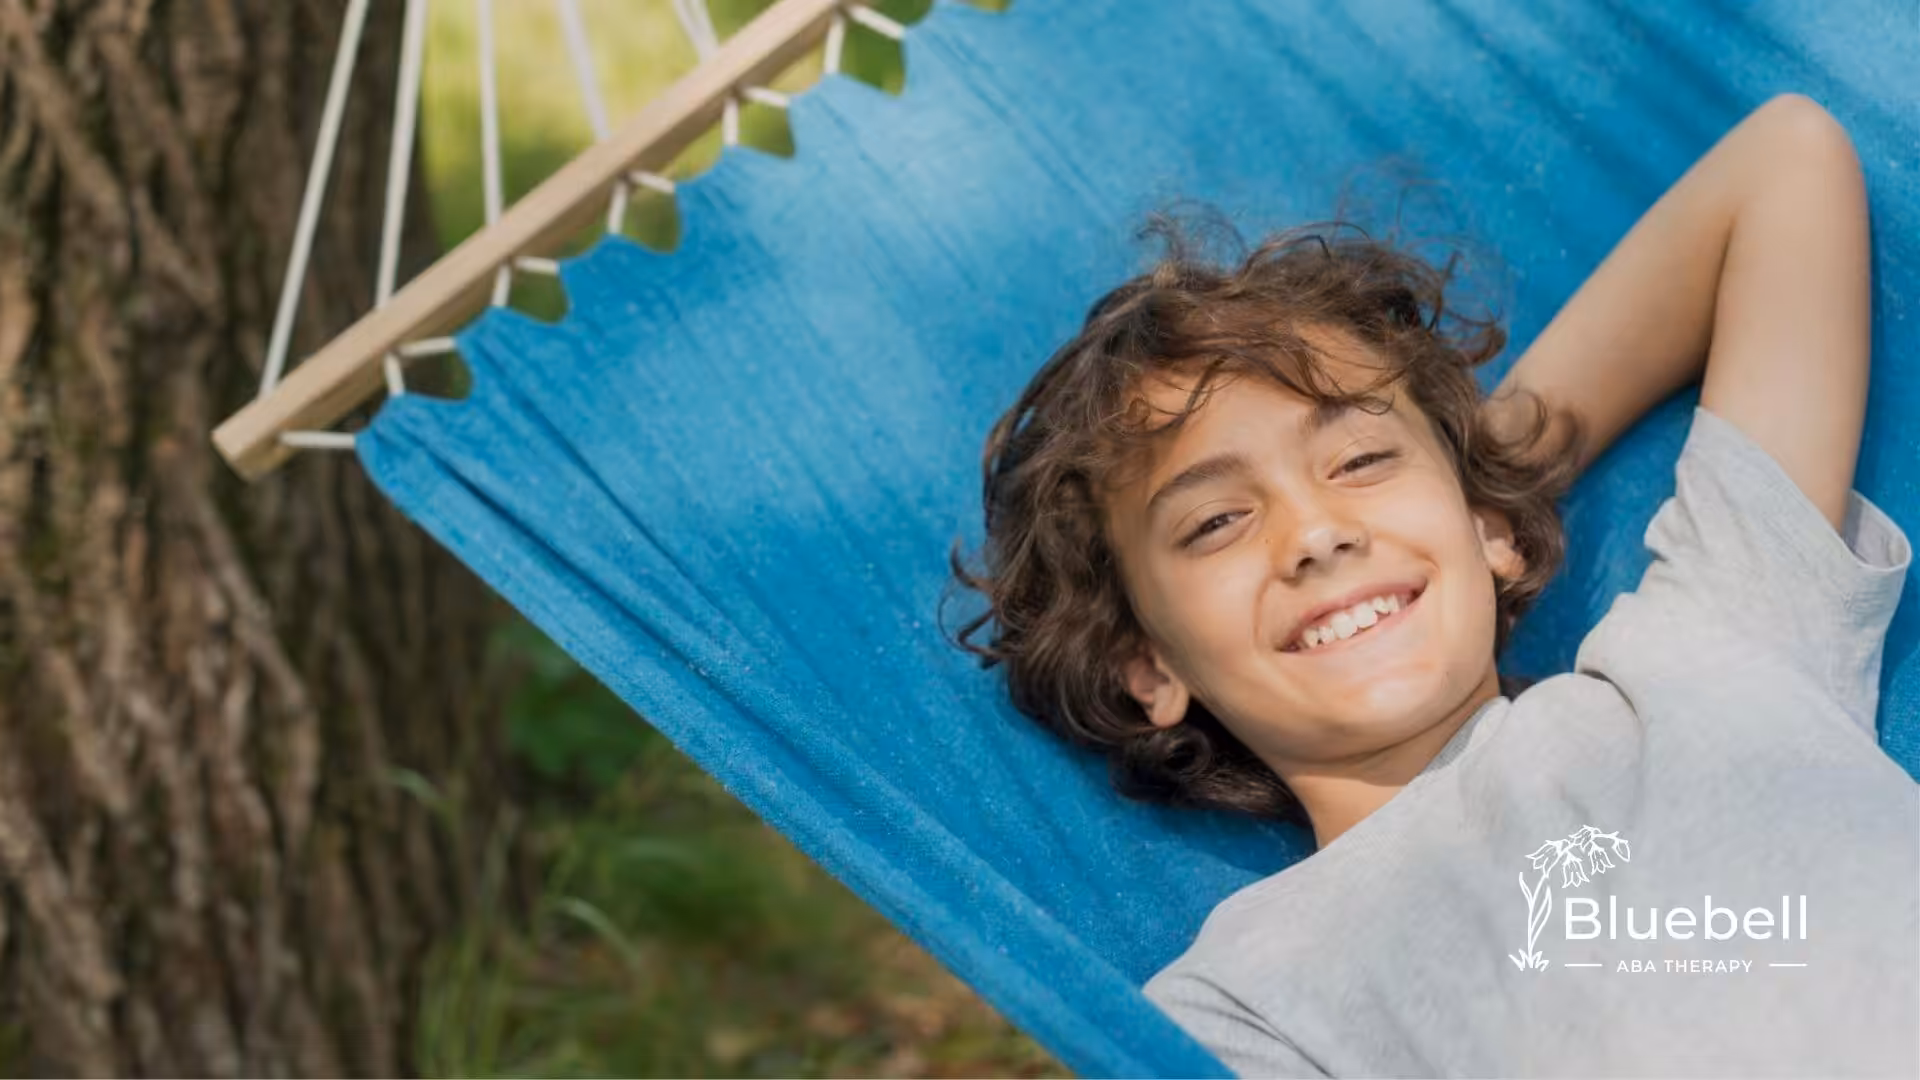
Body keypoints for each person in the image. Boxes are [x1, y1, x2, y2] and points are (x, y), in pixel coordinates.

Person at [949, 92, 1917, 1077]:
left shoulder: (1710, 644)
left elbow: (1785, 163)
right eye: (1216, 522)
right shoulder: (1234, 1007)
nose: (1317, 533)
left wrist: (1482, 481)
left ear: (1489, 530)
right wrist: (1429, 493)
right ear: (1147, 669)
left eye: (1360, 462)